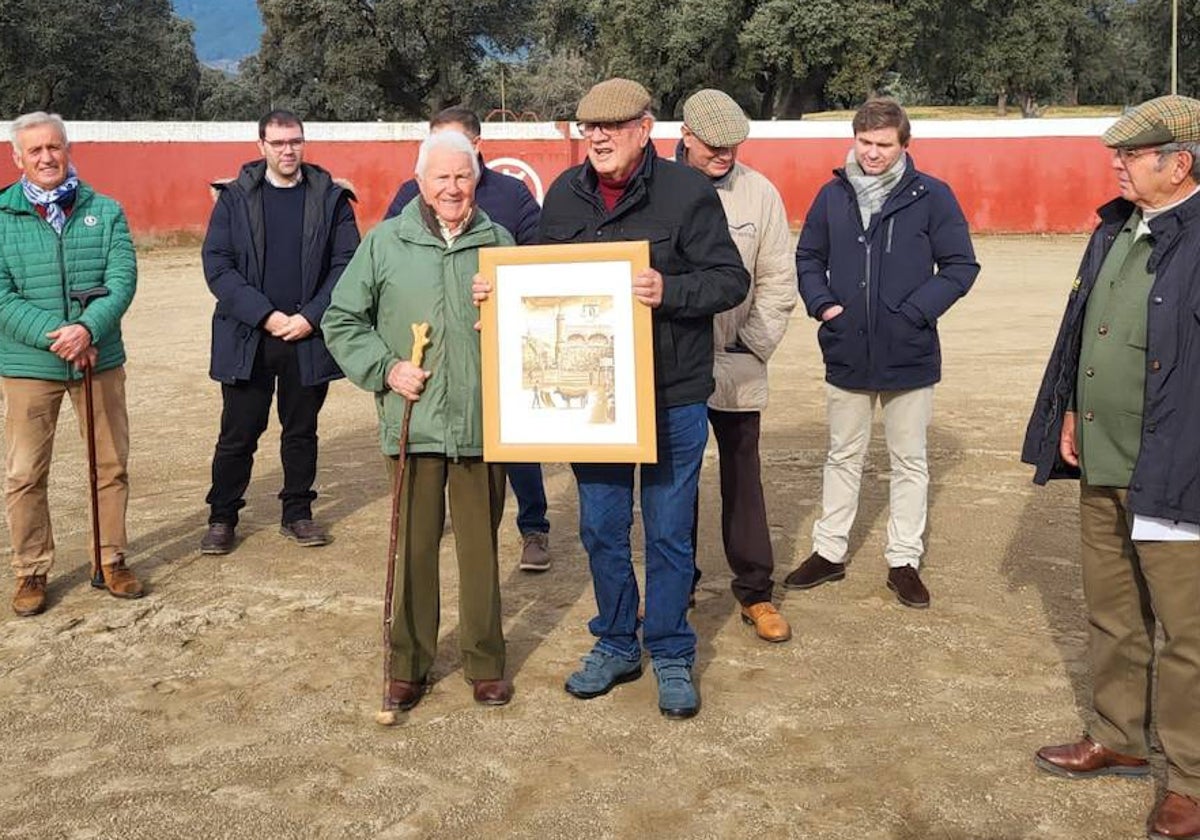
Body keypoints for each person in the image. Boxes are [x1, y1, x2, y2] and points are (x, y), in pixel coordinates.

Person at [520, 77, 749, 718]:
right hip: (594, 398)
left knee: (671, 533)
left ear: (644, 129)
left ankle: (672, 651)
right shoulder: (564, 195)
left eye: (611, 127)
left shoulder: (688, 192)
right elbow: (537, 280)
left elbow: (730, 279)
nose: (596, 137)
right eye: (588, 127)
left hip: (672, 394)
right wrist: (501, 298)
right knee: (600, 528)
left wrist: (667, 291)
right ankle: (618, 642)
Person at [1022, 95, 1200, 840]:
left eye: (1130, 155)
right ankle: (1122, 737)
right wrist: (1067, 407)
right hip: (1102, 455)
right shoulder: (1117, 227)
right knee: (1113, 612)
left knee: (1188, 633)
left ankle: (1190, 780)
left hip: (1177, 466)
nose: (1116, 165)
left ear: (1179, 163)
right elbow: (1085, 329)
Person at [323, 130, 515, 710]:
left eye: (463, 177)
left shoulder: (499, 241)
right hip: (414, 420)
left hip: (483, 422)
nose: (453, 188)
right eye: (442, 178)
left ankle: (485, 661)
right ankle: (408, 662)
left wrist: (501, 310)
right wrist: (385, 369)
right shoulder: (386, 242)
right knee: (413, 546)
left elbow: (533, 323)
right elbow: (341, 319)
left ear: (475, 179)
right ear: (421, 183)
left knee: (481, 549)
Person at [783, 98, 979, 609]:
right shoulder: (832, 196)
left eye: (884, 145)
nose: (872, 154)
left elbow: (961, 266)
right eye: (865, 143)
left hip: (908, 349)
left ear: (904, 145)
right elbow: (808, 257)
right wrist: (825, 307)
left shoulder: (933, 196)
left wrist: (914, 312)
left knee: (909, 461)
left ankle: (903, 560)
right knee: (842, 455)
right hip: (846, 346)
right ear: (854, 139)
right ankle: (829, 552)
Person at [383, 107, 553, 573]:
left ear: (477, 146)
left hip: (496, 347)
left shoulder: (513, 195)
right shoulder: (407, 194)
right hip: (434, 348)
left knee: (515, 444)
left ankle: (533, 526)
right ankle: (431, 520)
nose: (450, 181)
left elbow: (536, 260)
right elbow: (390, 258)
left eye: (456, 147)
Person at [199, 110, 360, 555]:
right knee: (238, 433)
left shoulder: (331, 199)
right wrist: (266, 316)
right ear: (261, 146)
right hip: (249, 337)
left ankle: (297, 513)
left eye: (295, 142)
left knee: (301, 431)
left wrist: (310, 315)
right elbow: (218, 265)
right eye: (278, 143)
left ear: (303, 143)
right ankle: (222, 516)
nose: (287, 150)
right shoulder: (233, 198)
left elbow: (347, 265)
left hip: (307, 336)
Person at [1, 111, 142, 615]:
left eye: (54, 147)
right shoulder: (1, 216)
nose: (46, 157)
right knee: (24, 473)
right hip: (27, 365)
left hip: (99, 360)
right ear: (18, 157)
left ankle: (110, 558)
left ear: (68, 149)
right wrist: (58, 336)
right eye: (34, 150)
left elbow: (122, 279)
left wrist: (88, 328)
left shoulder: (105, 211)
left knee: (109, 465)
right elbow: (1, 297)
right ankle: (32, 570)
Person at [676, 89, 797, 643]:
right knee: (672, 482)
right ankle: (677, 588)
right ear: (686, 135)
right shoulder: (657, 189)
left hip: (736, 358)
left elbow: (777, 280)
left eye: (734, 144)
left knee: (743, 477)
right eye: (714, 145)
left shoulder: (760, 194)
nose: (725, 154)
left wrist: (752, 347)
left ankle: (755, 590)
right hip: (672, 362)